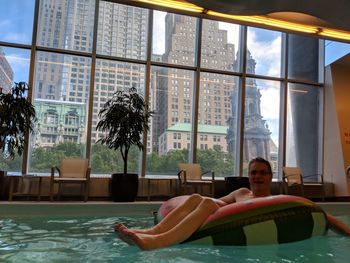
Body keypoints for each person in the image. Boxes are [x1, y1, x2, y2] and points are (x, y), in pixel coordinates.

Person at [115, 157, 350, 250]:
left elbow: (321, 215)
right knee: (199, 198)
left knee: (205, 203)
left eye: (262, 173)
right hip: (219, 218)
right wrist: (205, 203)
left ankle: (159, 241)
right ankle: (151, 232)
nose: (257, 177)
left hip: (248, 222)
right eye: (253, 173)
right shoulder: (241, 192)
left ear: (270, 176)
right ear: (249, 176)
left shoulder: (277, 204)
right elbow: (216, 202)